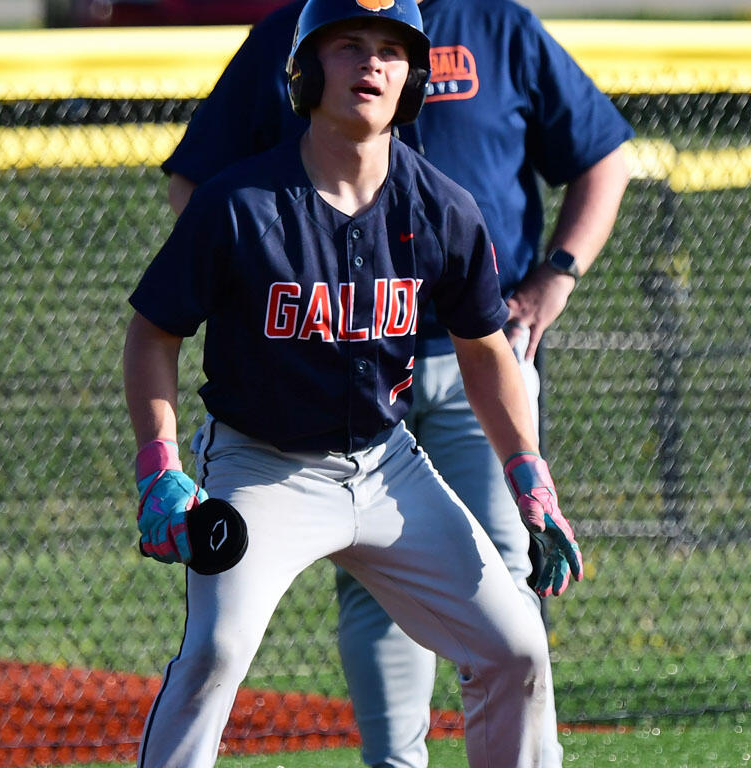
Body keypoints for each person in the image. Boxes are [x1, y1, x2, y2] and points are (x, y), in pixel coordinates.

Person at [161, 1, 632, 766]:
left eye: (390, 51)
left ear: (415, 76)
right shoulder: (250, 180)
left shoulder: (489, 43)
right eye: (348, 47)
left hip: (409, 420)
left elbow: (600, 160)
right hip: (271, 447)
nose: (371, 63)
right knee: (220, 650)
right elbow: (168, 286)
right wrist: (162, 463)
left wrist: (531, 472)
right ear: (308, 70)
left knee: (514, 629)